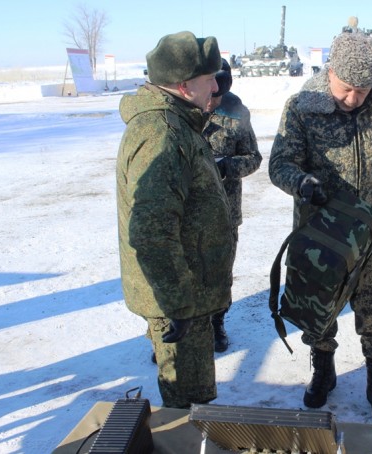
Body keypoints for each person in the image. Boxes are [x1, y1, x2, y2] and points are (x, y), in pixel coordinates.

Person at [268, 31, 372, 424]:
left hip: (369, 231)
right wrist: (300, 183)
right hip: (322, 232)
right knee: (320, 306)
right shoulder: (302, 106)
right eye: (347, 88)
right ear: (330, 70)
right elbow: (279, 163)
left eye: (364, 90)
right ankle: (323, 368)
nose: (354, 98)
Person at [116, 31, 235, 408]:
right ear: (184, 87)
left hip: (186, 290)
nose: (216, 87)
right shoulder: (162, 134)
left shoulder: (176, 123)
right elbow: (152, 233)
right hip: (181, 297)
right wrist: (178, 304)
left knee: (190, 395)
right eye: (208, 80)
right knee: (188, 400)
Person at [203, 59, 262, 353]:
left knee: (220, 273)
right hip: (184, 212)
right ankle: (177, 328)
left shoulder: (237, 114)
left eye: (217, 96)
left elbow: (254, 157)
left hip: (224, 213)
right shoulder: (176, 115)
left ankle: (216, 323)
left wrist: (227, 166)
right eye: (208, 95)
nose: (211, 102)